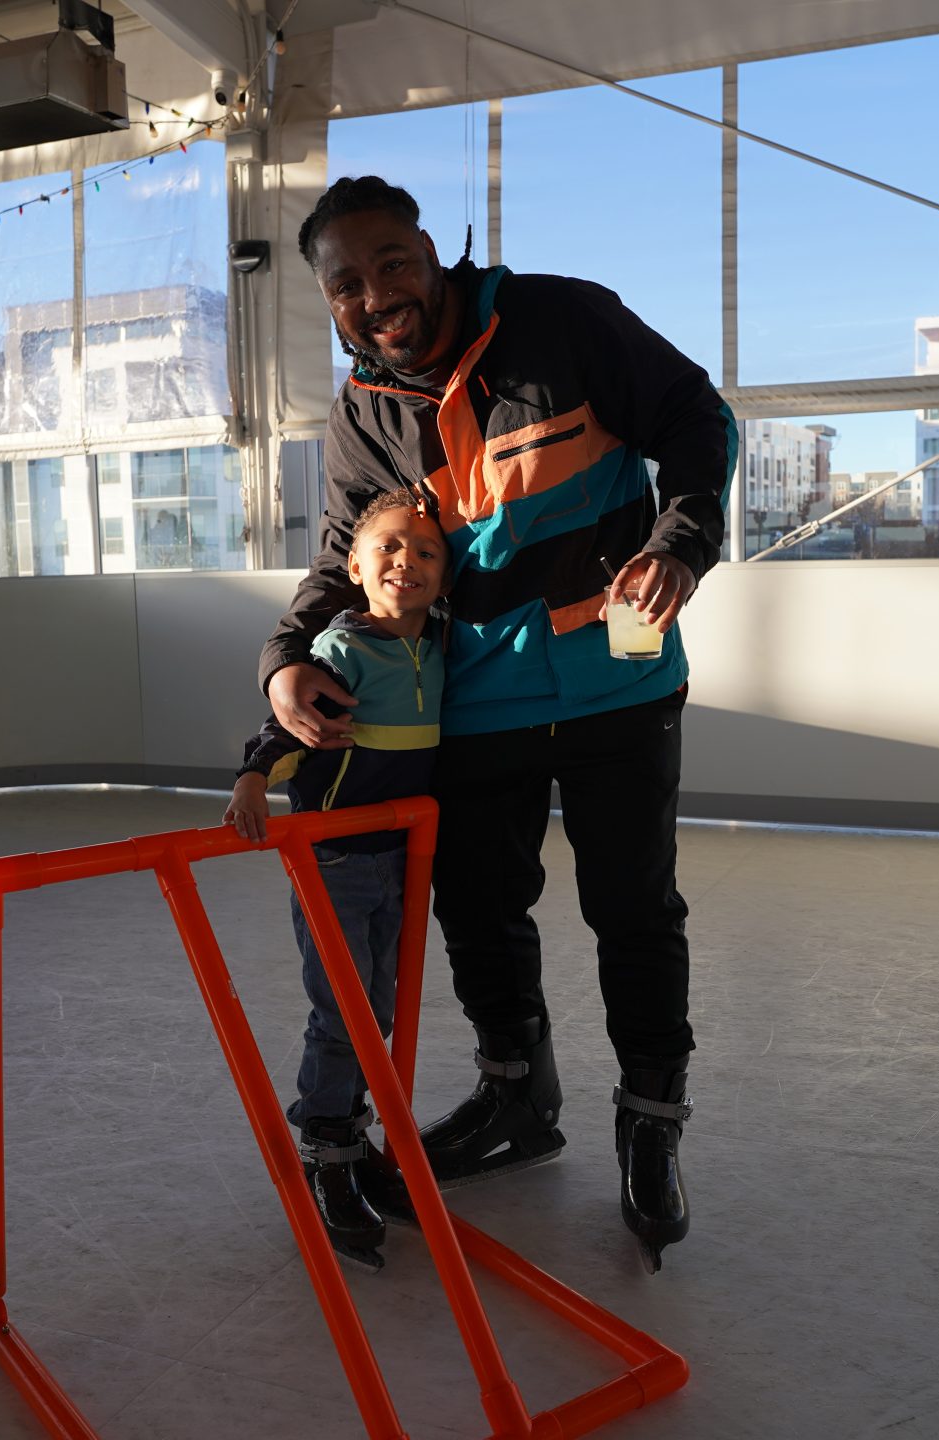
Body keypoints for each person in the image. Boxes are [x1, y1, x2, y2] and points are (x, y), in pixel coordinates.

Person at [263, 176, 732, 1272]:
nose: (376, 295)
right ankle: (517, 1095)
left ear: (431, 251)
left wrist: (681, 542)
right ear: (329, 301)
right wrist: (284, 662)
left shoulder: (561, 320)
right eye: (346, 283)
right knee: (477, 910)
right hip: (470, 709)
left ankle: (650, 1123)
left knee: (632, 909)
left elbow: (696, 418)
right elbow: (344, 564)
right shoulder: (361, 413)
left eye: (390, 263)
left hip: (620, 686)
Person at [227, 487, 448, 1271]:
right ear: (354, 567)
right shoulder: (343, 647)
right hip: (335, 859)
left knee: (380, 1001)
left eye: (426, 552)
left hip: (402, 857)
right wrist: (255, 777)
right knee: (344, 1010)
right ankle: (327, 1143)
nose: (406, 562)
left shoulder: (443, 646)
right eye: (388, 547)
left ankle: (350, 1129)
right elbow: (287, 725)